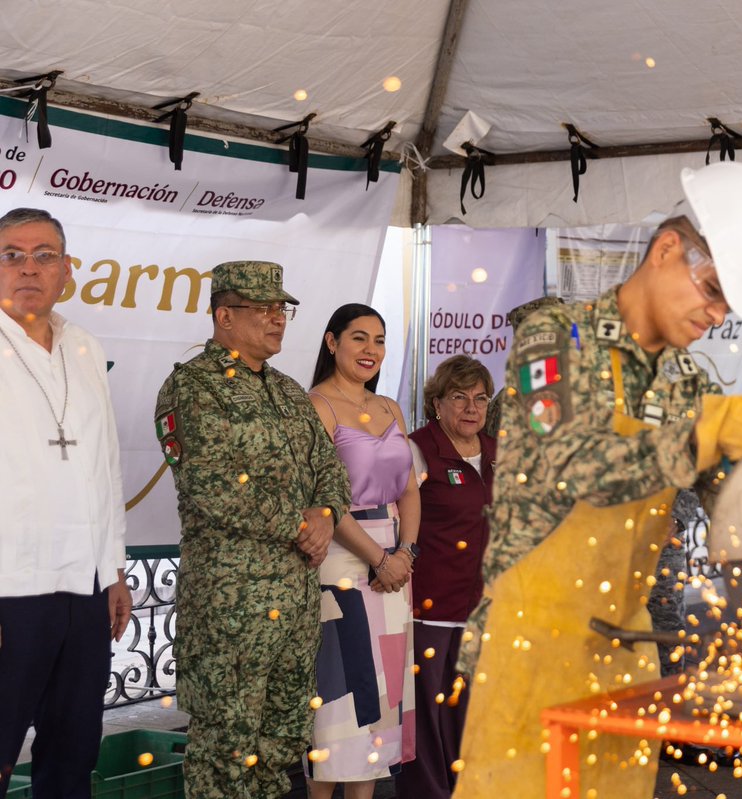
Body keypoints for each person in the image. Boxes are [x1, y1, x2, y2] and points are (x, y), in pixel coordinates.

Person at [454, 161, 742, 799]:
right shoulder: (551, 338)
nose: (718, 315)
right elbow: (568, 465)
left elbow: (737, 512)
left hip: (624, 653)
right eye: (714, 289)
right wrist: (704, 434)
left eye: (730, 304)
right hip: (530, 651)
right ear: (668, 248)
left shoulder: (688, 382)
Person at [154, 261, 350, 799]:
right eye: (261, 309)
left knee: (281, 746)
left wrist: (326, 515)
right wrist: (301, 525)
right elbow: (212, 485)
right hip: (231, 608)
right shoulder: (192, 388)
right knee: (226, 749)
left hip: (293, 602)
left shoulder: (289, 393)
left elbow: (331, 473)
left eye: (280, 308)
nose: (276, 319)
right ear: (224, 315)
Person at [0, 207, 132, 797]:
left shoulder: (84, 346)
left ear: (66, 269)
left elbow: (105, 465)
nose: (29, 267)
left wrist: (115, 570)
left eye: (44, 255)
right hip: (11, 585)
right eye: (12, 255)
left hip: (85, 587)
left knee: (72, 751)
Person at [306, 304, 419, 798]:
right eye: (358, 338)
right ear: (332, 343)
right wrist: (378, 558)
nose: (370, 350)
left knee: (379, 713)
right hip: (342, 564)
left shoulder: (392, 407)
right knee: (338, 705)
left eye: (378, 340)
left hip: (396, 568)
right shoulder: (315, 406)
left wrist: (406, 553)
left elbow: (410, 490)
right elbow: (324, 500)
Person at [396, 355, 496, 799]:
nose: (471, 407)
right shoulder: (417, 449)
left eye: (480, 398)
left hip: (484, 608)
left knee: (473, 710)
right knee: (429, 714)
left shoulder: (498, 452)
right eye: (459, 397)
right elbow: (397, 519)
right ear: (437, 403)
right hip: (431, 607)